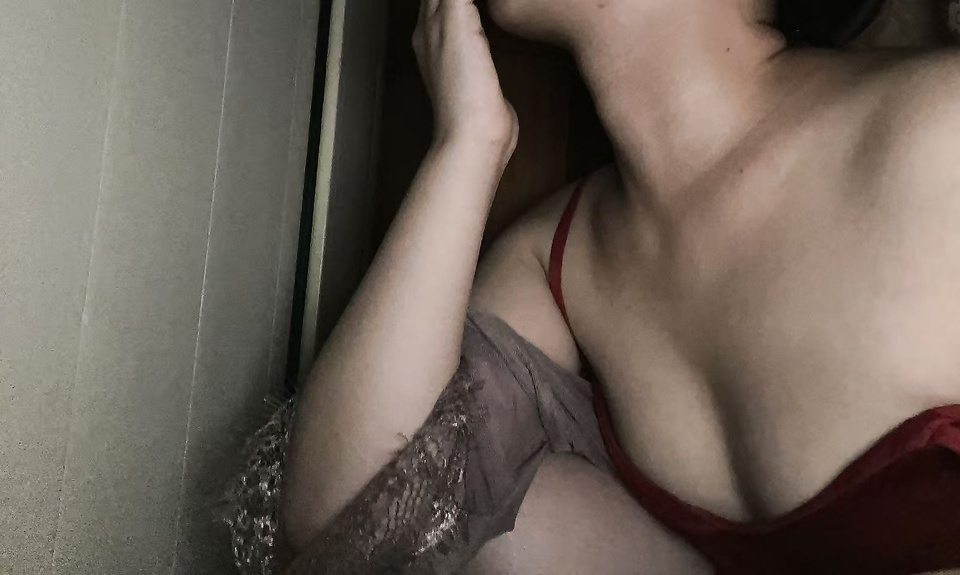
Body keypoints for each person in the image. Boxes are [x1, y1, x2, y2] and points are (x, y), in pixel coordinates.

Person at [232, 0, 960, 573]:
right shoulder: (551, 261)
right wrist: (466, 145)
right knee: (503, 528)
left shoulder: (941, 131)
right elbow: (336, 525)